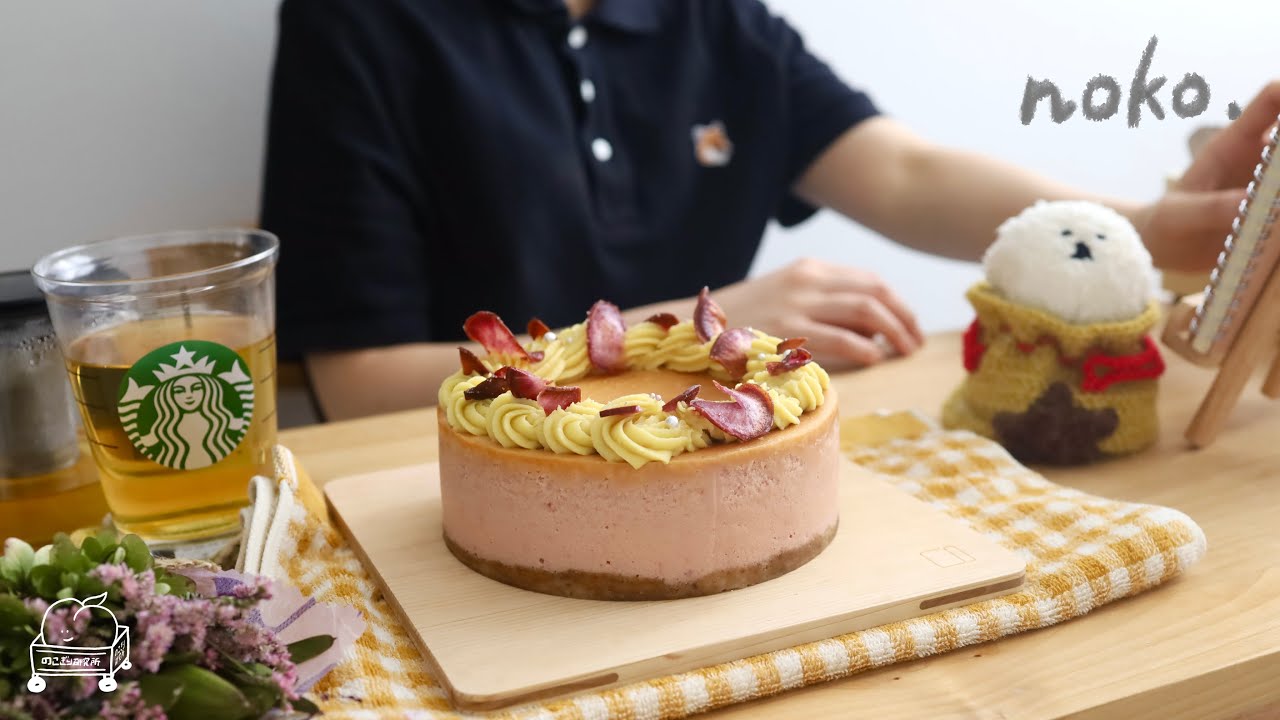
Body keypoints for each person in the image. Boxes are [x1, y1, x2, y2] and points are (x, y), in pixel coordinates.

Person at [259, 0, 1280, 421]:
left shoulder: (712, 19)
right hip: (468, 503)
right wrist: (697, 337)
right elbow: (355, 387)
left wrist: (1146, 228)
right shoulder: (357, 28)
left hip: (736, 464)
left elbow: (904, 173)